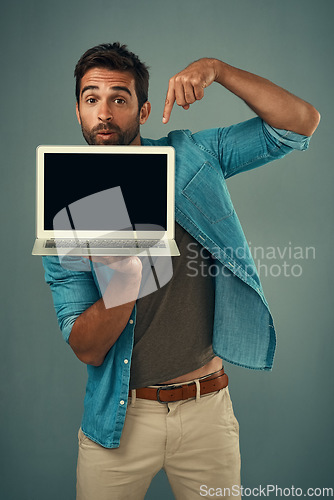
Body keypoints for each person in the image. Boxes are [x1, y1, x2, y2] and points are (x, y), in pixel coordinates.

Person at [42, 43, 320, 500]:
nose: (104, 112)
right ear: (78, 112)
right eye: (91, 98)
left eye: (119, 98)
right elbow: (86, 347)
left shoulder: (190, 155)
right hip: (119, 423)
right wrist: (127, 278)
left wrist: (219, 69)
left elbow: (299, 123)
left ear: (144, 109)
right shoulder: (67, 210)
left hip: (206, 411)